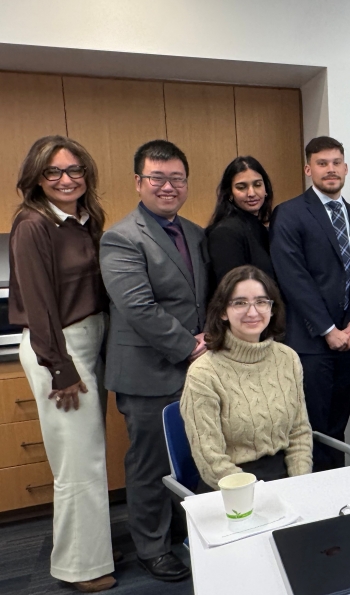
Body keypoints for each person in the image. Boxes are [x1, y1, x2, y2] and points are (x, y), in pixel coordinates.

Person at [100, 140, 209, 583]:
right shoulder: (121, 238)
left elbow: (200, 299)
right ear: (138, 182)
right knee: (150, 464)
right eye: (157, 178)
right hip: (148, 372)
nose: (168, 187)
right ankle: (152, 548)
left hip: (194, 369)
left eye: (176, 178)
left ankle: (181, 530)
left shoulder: (195, 233)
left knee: (189, 456)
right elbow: (138, 308)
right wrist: (190, 346)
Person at [9, 136, 114, 593]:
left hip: (90, 342)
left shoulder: (86, 220)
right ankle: (80, 567)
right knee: (77, 463)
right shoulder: (33, 224)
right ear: (37, 177)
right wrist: (59, 368)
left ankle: (92, 552)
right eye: (53, 171)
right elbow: (39, 305)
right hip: (59, 349)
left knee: (89, 457)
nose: (66, 179)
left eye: (74, 170)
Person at [270, 136, 350, 471]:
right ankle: (312, 496)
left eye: (336, 162)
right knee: (311, 433)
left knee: (338, 429)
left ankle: (337, 491)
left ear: (345, 168)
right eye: (322, 163)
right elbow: (293, 279)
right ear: (308, 169)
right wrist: (328, 330)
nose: (330, 169)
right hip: (310, 344)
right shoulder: (289, 214)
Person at [181, 266, 312, 491]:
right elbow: (211, 461)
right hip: (230, 487)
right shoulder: (203, 373)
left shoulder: (288, 358)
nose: (252, 312)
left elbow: (299, 433)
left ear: (272, 309)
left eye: (261, 302)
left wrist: (299, 486)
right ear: (223, 311)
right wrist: (260, 494)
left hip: (286, 478)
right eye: (240, 303)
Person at [206, 156, 275, 284]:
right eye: (241, 187)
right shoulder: (225, 233)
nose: (251, 193)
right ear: (230, 194)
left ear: (266, 189)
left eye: (257, 185)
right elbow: (232, 288)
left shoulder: (263, 227)